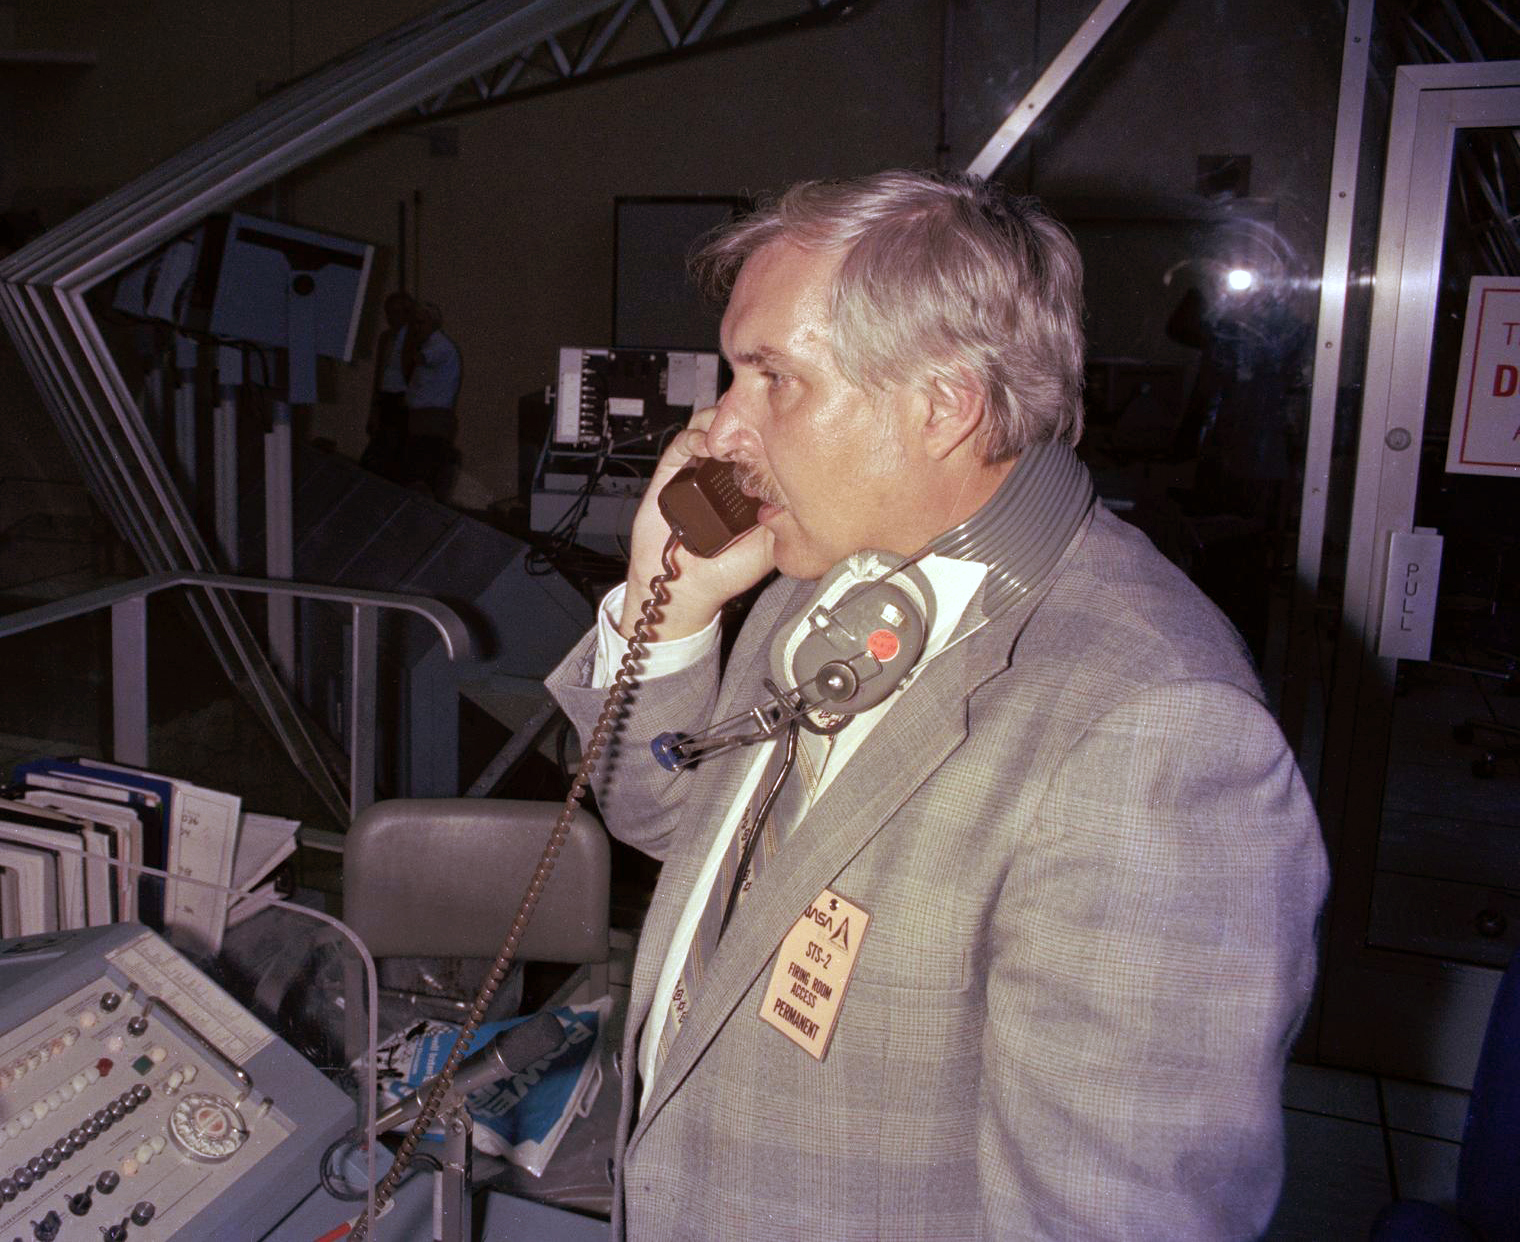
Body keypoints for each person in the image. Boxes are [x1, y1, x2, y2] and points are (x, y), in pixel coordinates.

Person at [545, 170, 1327, 1240]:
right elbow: (663, 821)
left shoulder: (1154, 733)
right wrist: (665, 612)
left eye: (771, 379)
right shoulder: (830, 585)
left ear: (942, 405)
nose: (719, 429)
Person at [400, 299, 462, 496]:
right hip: (424, 417)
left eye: (420, 323)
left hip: (432, 418)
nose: (416, 328)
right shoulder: (433, 344)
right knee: (417, 468)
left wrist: (408, 340)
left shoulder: (440, 345)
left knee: (422, 473)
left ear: (433, 323)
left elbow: (419, 358)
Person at [360, 290, 416, 479]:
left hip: (405, 401)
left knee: (394, 451)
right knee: (381, 448)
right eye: (390, 312)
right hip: (387, 399)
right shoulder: (386, 338)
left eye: (399, 312)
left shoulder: (416, 339)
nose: (393, 317)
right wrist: (373, 408)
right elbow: (379, 374)